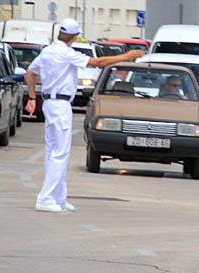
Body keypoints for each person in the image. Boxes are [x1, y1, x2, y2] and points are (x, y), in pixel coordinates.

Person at [24, 18, 144, 213]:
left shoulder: (47, 51)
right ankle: (45, 197)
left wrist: (31, 97)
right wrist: (126, 56)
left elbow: (30, 73)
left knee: (54, 152)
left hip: (49, 103)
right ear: (74, 36)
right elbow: (97, 62)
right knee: (60, 153)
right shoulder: (66, 53)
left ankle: (58, 197)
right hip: (60, 104)